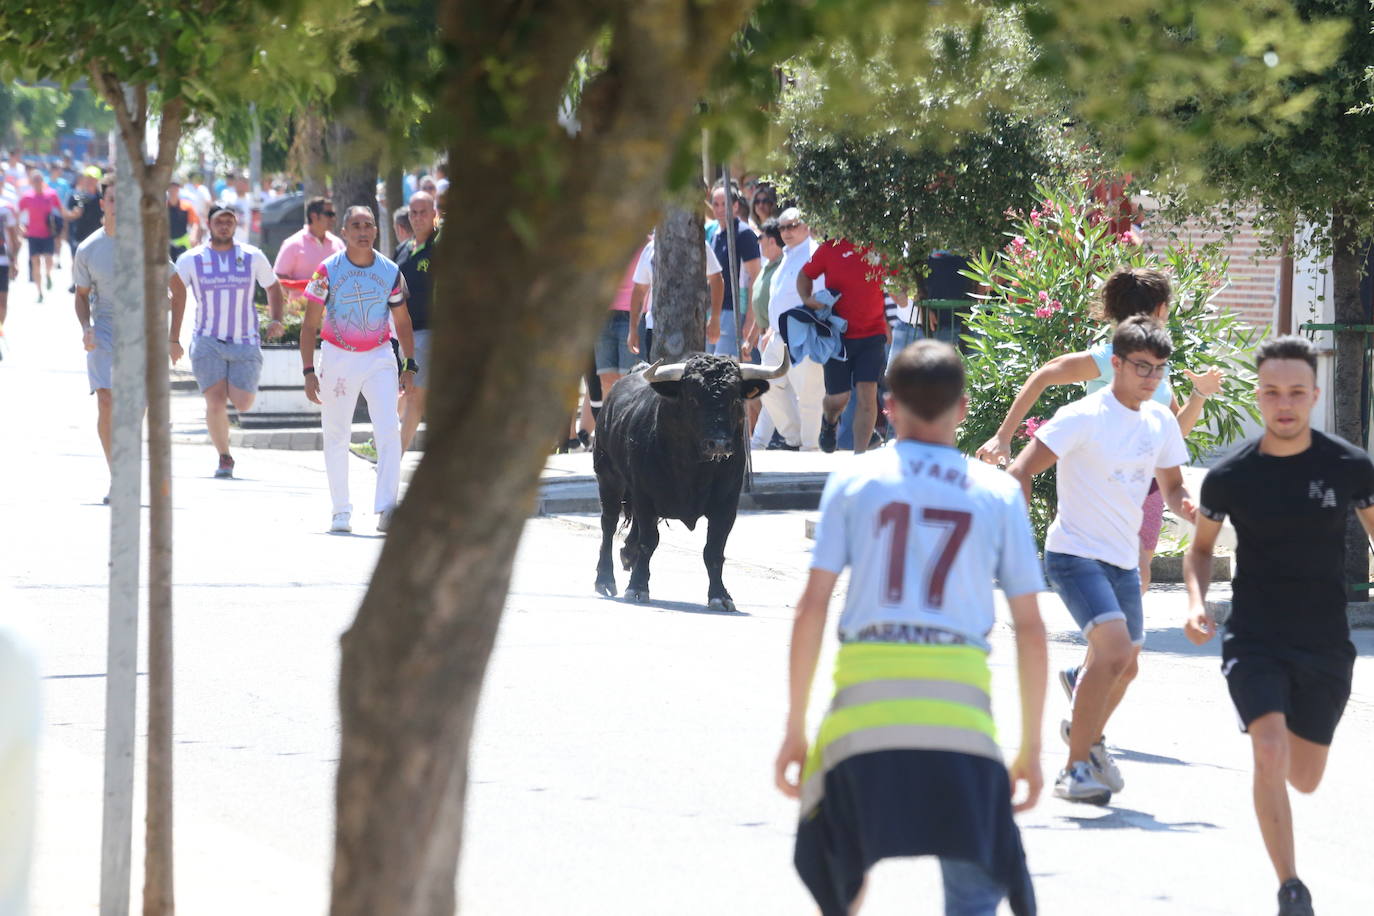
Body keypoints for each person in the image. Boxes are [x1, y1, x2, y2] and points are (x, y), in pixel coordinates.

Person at [775, 339, 1047, 916]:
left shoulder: (855, 481)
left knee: (839, 868)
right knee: (975, 886)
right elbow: (1031, 628)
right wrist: (1031, 748)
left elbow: (811, 608)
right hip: (963, 724)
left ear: (890, 404)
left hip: (860, 721)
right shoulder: (998, 493)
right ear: (964, 407)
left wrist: (796, 729)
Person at [1183, 335, 1374, 916]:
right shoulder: (1230, 475)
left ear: (1314, 395)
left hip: (1324, 643)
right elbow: (1199, 551)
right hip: (1255, 636)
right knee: (1268, 749)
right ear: (1258, 397)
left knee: (1306, 778)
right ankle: (1291, 887)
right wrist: (1196, 599)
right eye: (1271, 392)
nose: (1283, 403)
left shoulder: (1349, 465)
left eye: (1295, 392)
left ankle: (1291, 771)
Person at [1008, 316, 1194, 804]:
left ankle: (1087, 736)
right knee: (1112, 653)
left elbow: (1172, 487)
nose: (1151, 379)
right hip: (1074, 554)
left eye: (1158, 369)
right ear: (1115, 363)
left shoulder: (1159, 421)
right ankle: (1075, 770)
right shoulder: (1083, 415)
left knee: (1126, 666)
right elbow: (1020, 470)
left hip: (1123, 561)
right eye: (1141, 368)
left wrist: (1191, 508)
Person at [976, 267, 1223, 590]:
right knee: (1127, 568)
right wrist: (1003, 436)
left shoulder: (1156, 362)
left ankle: (1117, 635)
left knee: (1139, 570)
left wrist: (1199, 394)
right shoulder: (1111, 357)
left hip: (1146, 481)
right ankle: (1112, 632)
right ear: (1161, 309)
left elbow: (1175, 432)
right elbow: (1045, 374)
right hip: (1103, 478)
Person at [301, 205, 417, 534]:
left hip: (379, 357)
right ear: (345, 232)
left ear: (376, 231)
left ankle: (387, 507)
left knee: (388, 430)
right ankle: (341, 511)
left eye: (368, 225)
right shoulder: (327, 271)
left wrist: (408, 364)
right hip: (338, 358)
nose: (363, 231)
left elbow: (403, 321)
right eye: (356, 225)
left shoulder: (390, 271)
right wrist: (309, 370)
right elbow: (309, 325)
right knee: (337, 435)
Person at [73, 181, 176, 497]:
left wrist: (171, 335)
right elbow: (81, 295)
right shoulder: (88, 249)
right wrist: (85, 326)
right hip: (103, 333)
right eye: (113, 199)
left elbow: (176, 286)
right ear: (103, 203)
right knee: (107, 403)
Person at [168, 204, 285, 479]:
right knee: (216, 402)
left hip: (245, 340)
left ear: (236, 225)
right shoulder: (191, 259)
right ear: (209, 225)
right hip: (207, 340)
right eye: (219, 221)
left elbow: (273, 286)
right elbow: (175, 295)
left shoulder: (252, 256)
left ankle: (226, 440)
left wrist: (276, 319)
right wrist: (172, 338)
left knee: (243, 402)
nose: (224, 226)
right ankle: (224, 456)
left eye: (230, 221)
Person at [799, 236, 901, 455]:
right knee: (839, 398)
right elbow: (805, 275)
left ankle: (860, 456)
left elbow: (900, 289)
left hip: (872, 335)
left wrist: (906, 289)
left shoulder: (881, 248)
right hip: (837, 335)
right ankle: (829, 421)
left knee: (868, 393)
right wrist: (807, 300)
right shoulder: (830, 248)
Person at [760, 208, 826, 451]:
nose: (786, 231)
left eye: (792, 226)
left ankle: (810, 448)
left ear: (806, 225)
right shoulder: (787, 254)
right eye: (782, 227)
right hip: (778, 334)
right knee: (765, 385)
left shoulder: (814, 252)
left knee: (809, 396)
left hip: (805, 332)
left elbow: (820, 296)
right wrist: (770, 327)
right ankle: (795, 437)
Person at [627, 231, 724, 362]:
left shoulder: (698, 245)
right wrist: (633, 328)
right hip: (656, 328)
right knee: (657, 380)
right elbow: (639, 290)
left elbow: (716, 278)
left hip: (691, 328)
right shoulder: (650, 248)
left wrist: (715, 317)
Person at [396, 191, 438, 452]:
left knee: (415, 397)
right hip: (403, 334)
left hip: (431, 334)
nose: (418, 217)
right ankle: (389, 452)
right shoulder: (403, 249)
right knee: (409, 395)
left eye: (424, 212)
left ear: (434, 214)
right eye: (414, 212)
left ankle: (392, 459)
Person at [706, 181, 761, 357]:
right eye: (716, 204)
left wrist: (750, 319)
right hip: (714, 310)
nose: (720, 209)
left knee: (724, 366)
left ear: (735, 206)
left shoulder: (744, 234)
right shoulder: (714, 234)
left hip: (735, 311)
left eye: (725, 204)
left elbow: (755, 277)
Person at [273, 197, 344, 282]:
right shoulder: (292, 244)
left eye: (333, 215)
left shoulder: (338, 244)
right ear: (313, 216)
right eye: (329, 214)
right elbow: (279, 276)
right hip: (300, 296)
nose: (333, 219)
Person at [19, 170, 61, 302]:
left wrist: (63, 225)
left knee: (49, 260)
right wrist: (20, 227)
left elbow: (60, 210)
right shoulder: (27, 197)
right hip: (33, 234)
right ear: (31, 182)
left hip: (48, 233)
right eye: (35, 180)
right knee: (35, 263)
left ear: (43, 181)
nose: (37, 182)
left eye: (39, 179)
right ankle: (39, 292)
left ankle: (48, 275)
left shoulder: (51, 194)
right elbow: (17, 213)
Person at [63, 168, 104, 292]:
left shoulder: (103, 198)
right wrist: (73, 215)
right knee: (76, 260)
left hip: (97, 235)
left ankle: (95, 284)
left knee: (95, 263)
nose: (90, 181)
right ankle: (76, 282)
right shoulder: (76, 197)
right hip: (79, 235)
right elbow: (67, 215)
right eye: (87, 178)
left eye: (93, 179)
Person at [166, 176, 202, 261]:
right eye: (171, 187)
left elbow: (195, 222)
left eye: (175, 187)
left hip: (183, 240)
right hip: (167, 242)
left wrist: (193, 235)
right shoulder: (163, 207)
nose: (173, 189)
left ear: (179, 188)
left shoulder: (186, 206)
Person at [0, 199, 19, 351]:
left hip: (3, 261)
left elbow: (13, 236)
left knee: (2, 303)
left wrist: (14, 260)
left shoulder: (5, 208)